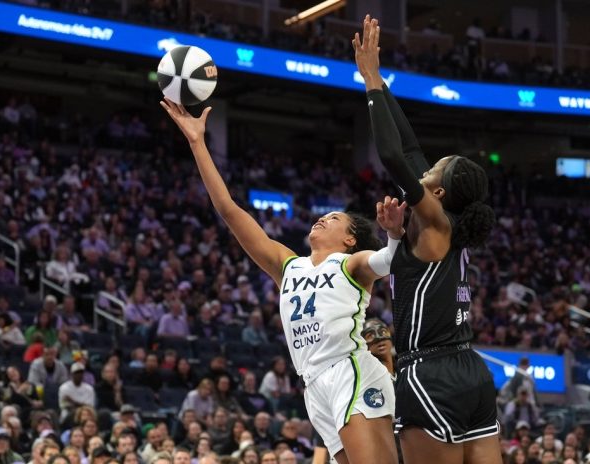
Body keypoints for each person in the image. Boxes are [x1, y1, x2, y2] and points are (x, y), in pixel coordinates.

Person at [160, 97, 401, 464]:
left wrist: (394, 235)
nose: (322, 219)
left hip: (349, 370)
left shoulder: (351, 264)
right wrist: (197, 143)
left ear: (350, 239)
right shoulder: (288, 266)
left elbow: (388, 260)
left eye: (334, 219)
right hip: (313, 383)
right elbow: (228, 210)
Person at [354, 15, 501, 464]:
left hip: (429, 371)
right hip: (471, 369)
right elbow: (411, 148)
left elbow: (393, 155)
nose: (426, 166)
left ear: (437, 193)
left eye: (435, 169)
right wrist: (380, 80)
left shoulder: (435, 222)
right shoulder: (447, 224)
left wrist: (370, 84)